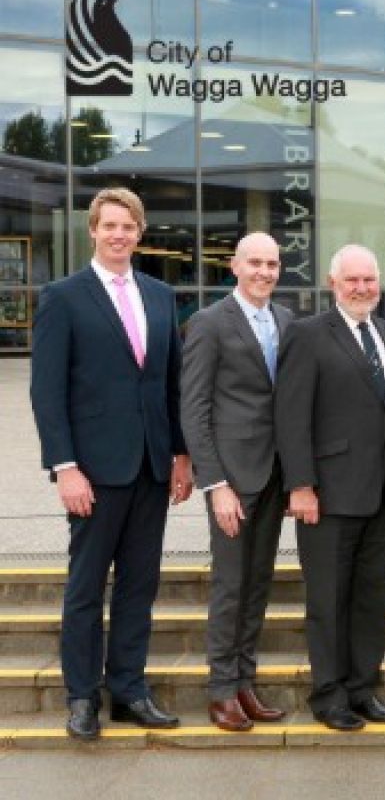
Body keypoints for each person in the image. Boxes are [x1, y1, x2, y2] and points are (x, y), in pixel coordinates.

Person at [30, 187, 193, 740]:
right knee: (85, 588)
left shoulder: (160, 296)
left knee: (138, 588)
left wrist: (180, 455)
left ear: (140, 232)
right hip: (94, 473)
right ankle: (82, 696)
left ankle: (129, 689)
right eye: (110, 225)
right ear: (93, 231)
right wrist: (65, 466)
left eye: (129, 226)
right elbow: (47, 393)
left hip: (150, 468)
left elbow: (170, 386)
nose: (119, 234)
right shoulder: (63, 296)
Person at [275, 244, 385, 732]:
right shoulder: (307, 335)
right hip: (327, 495)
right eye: (352, 280)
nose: (362, 288)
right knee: (328, 600)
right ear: (333, 284)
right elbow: (291, 416)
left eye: (369, 279)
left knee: (373, 599)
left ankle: (362, 689)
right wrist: (301, 485)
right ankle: (329, 695)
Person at [181, 232, 292, 731]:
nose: (265, 272)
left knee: (258, 582)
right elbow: (195, 407)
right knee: (230, 584)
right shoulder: (208, 323)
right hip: (232, 478)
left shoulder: (287, 321)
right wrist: (215, 483)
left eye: (272, 264)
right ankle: (221, 688)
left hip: (274, 475)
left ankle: (246, 682)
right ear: (234, 266)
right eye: (255, 263)